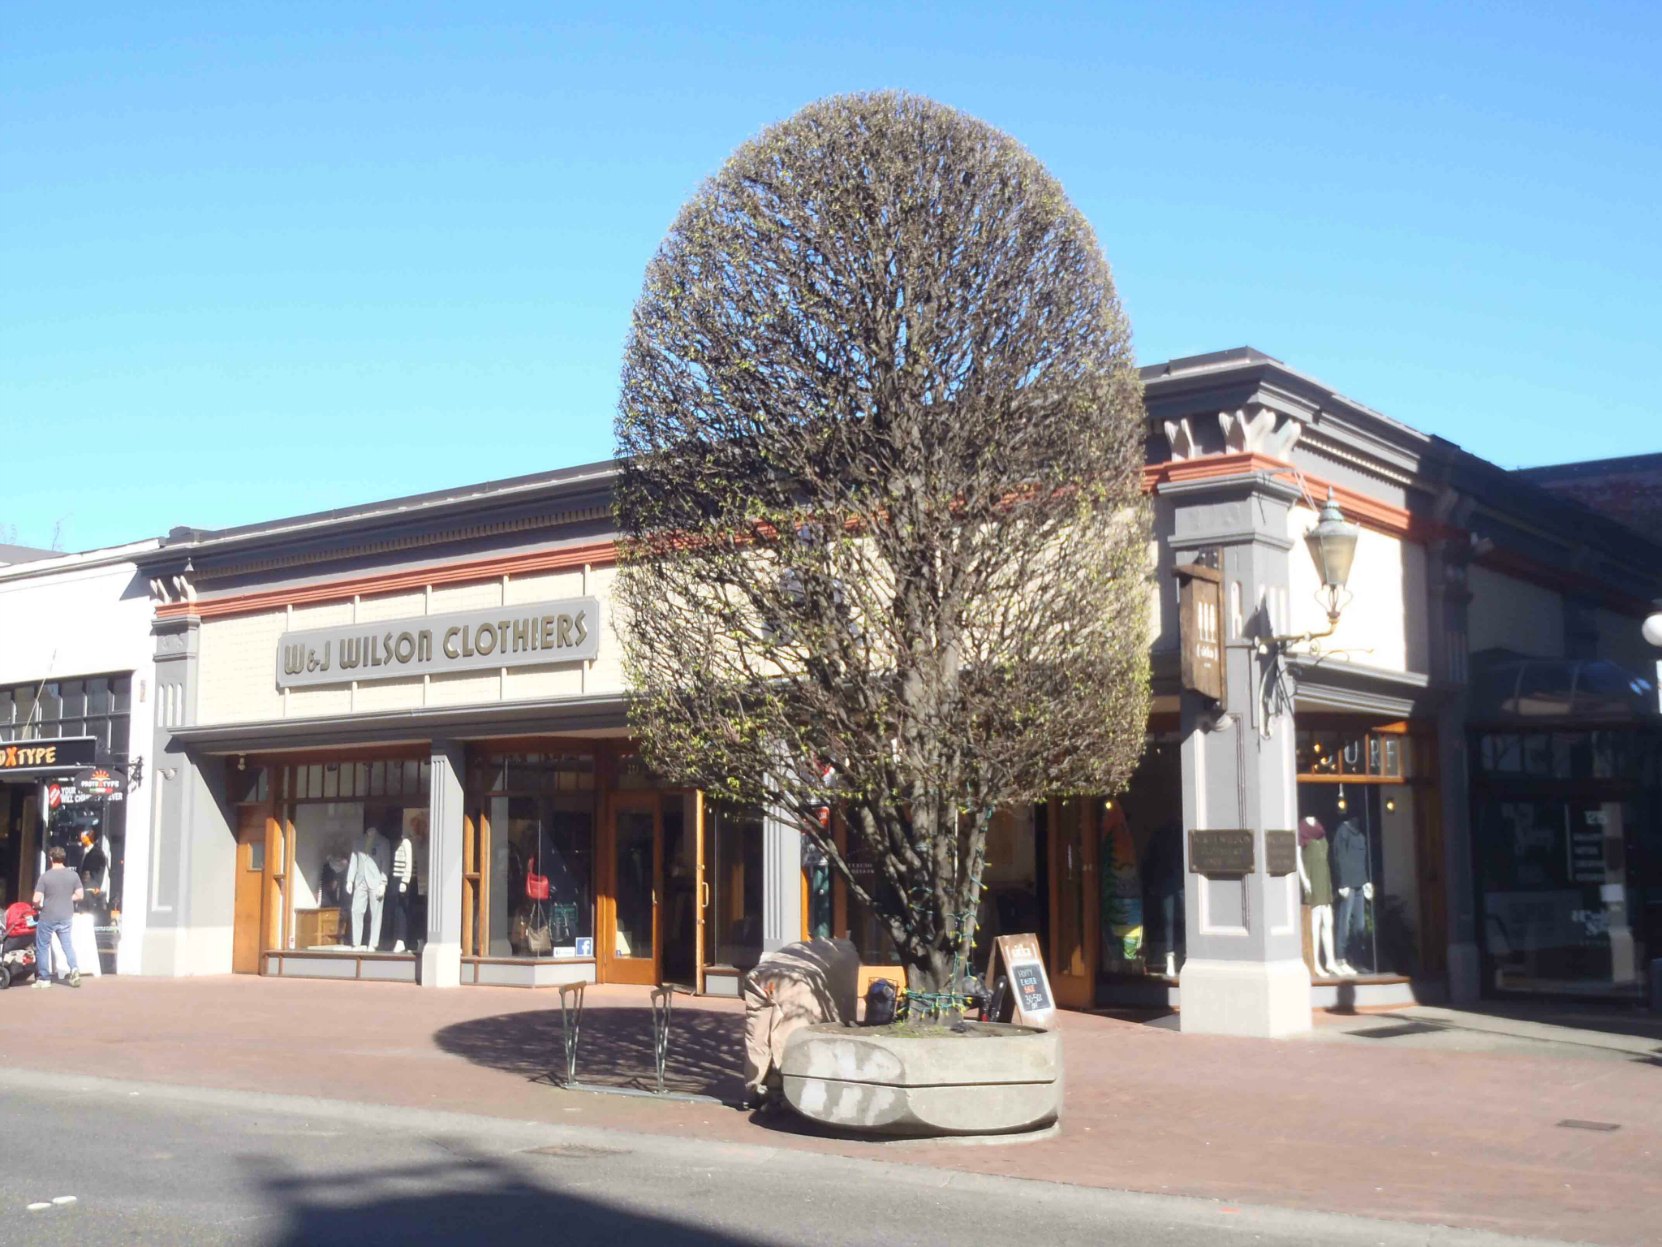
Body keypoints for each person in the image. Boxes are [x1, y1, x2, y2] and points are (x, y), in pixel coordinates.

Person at [32, 846, 83, 989]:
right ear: (63, 858)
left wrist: (37, 905)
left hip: (48, 915)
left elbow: (36, 899)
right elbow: (80, 895)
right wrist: (67, 898)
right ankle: (74, 968)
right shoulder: (73, 876)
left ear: (50, 858)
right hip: (66, 915)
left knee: (43, 946)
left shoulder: (45, 876)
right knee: (67, 944)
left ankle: (44, 978)